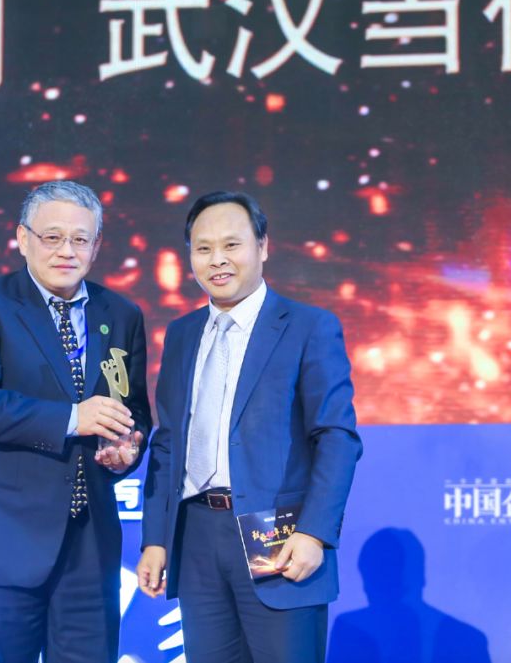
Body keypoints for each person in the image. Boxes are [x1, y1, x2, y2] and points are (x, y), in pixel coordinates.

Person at [138, 191, 363, 663]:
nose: (217, 260)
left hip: (279, 537)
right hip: (197, 536)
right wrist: (156, 538)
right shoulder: (182, 334)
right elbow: (168, 443)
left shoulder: (308, 326)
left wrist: (315, 532)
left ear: (262, 246)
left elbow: (337, 439)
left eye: (231, 245)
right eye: (203, 248)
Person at [0, 180, 151, 663]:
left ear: (97, 245)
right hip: (2, 541)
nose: (66, 251)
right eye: (52, 237)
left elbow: (133, 407)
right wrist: (73, 418)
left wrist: (128, 447)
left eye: (80, 239)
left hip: (89, 547)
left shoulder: (121, 314)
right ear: (23, 238)